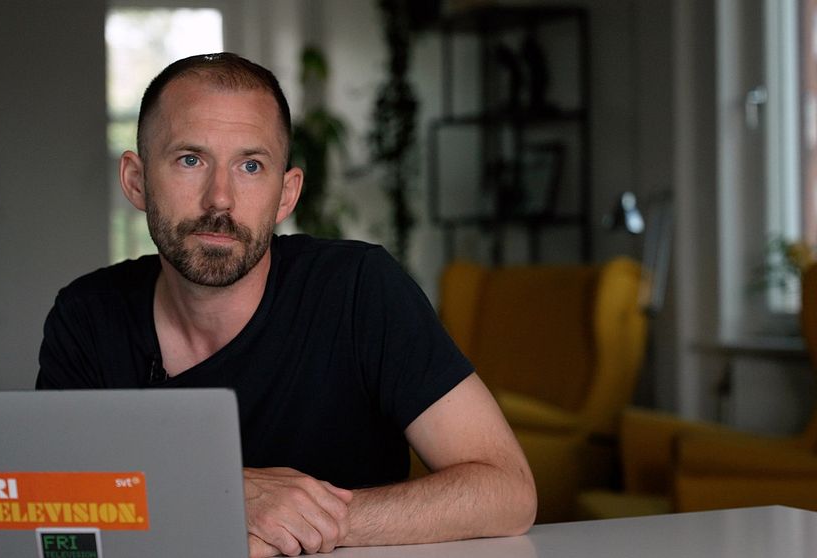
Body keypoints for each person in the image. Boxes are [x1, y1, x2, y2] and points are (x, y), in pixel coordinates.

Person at [37, 52, 536, 557]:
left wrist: (303, 521)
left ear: (286, 194)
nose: (220, 198)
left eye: (251, 166)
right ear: (136, 180)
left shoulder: (359, 289)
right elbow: (47, 505)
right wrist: (219, 495)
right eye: (190, 159)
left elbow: (507, 490)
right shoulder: (87, 316)